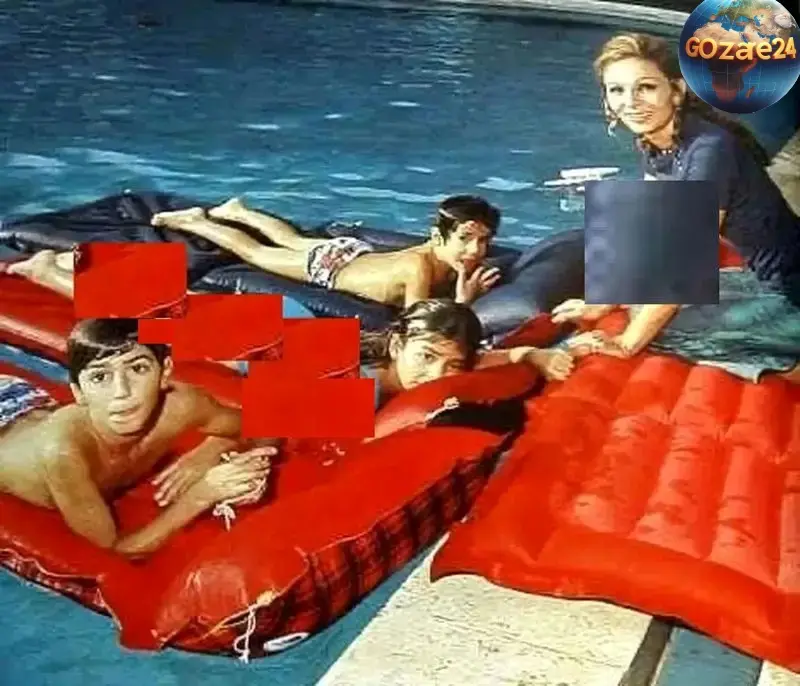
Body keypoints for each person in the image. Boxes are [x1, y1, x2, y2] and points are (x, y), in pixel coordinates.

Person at [548, 33, 800, 384]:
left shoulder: (708, 151)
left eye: (646, 87)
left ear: (676, 90)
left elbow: (682, 265)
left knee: (664, 331)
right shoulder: (656, 143)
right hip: (763, 279)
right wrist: (602, 303)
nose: (631, 102)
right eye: (617, 90)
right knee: (643, 307)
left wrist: (626, 344)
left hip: (790, 294)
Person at [0, 318, 274, 558]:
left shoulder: (181, 406)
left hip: (29, 404)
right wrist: (202, 494)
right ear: (78, 392)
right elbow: (116, 548)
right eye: (100, 377)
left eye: (138, 369)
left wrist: (214, 449)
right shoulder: (62, 453)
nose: (122, 390)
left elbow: (266, 424)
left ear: (164, 373)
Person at [147, 195, 504, 307]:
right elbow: (419, 323)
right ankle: (197, 221)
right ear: (438, 236)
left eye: (484, 240)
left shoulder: (449, 257)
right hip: (330, 267)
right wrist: (462, 302)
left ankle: (239, 212)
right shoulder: (419, 268)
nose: (475, 250)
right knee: (254, 253)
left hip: (355, 252)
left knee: (293, 239)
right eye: (465, 238)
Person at [360, 299, 575, 408]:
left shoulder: (414, 365)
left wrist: (534, 355)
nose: (436, 375)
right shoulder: (363, 385)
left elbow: (492, 357)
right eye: (426, 357)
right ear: (396, 346)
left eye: (453, 365)